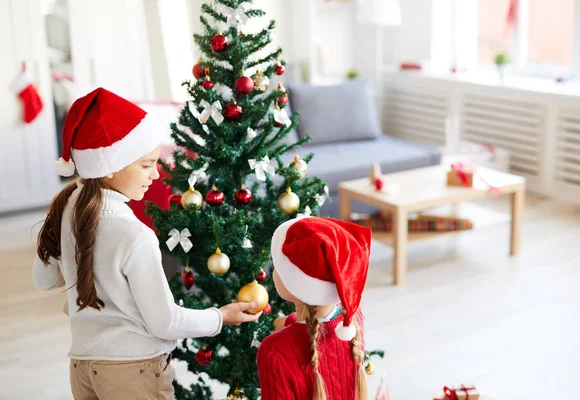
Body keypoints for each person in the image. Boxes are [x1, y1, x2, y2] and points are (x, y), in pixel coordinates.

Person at [32, 87, 260, 400]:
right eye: (146, 164)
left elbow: (42, 280)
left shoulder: (66, 205)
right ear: (109, 165)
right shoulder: (133, 234)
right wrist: (221, 316)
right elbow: (165, 322)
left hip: (82, 368)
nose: (157, 174)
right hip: (132, 372)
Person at [257, 216, 372, 400]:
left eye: (277, 266)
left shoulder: (273, 351)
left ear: (294, 283)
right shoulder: (352, 319)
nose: (273, 272)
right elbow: (321, 336)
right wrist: (289, 322)